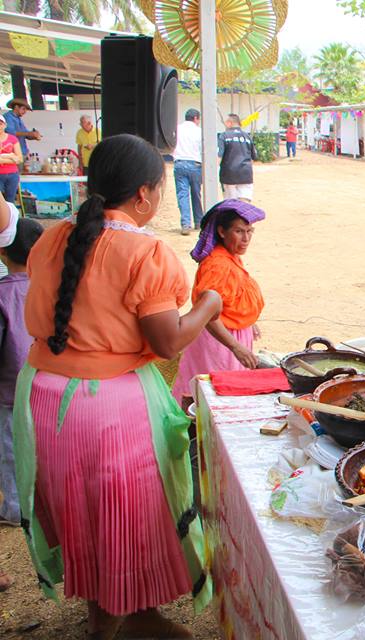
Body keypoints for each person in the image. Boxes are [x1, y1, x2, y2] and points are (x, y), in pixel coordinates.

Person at [13, 134, 222, 638]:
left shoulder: (51, 236)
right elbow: (167, 341)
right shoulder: (145, 251)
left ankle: (132, 612)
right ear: (145, 196)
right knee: (123, 515)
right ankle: (107, 627)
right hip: (105, 408)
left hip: (43, 397)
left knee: (80, 512)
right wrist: (209, 304)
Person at [172, 199, 265, 406]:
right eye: (239, 231)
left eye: (250, 231)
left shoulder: (230, 256)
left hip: (227, 337)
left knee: (215, 396)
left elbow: (230, 300)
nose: (246, 238)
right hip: (217, 342)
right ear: (222, 232)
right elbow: (206, 315)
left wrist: (248, 321)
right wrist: (236, 347)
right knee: (212, 396)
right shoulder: (218, 265)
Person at [0, 216, 42, 592]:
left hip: (9, 389)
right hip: (46, 386)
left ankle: (15, 507)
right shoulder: (49, 288)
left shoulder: (1, 292)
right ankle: (43, 502)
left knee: (12, 450)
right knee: (41, 444)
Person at [174, 108, 203, 235]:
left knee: (182, 194)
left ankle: (186, 224)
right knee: (196, 193)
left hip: (179, 163)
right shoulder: (199, 131)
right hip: (195, 164)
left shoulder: (177, 129)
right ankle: (199, 222)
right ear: (196, 118)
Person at [218, 114, 257, 202]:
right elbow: (253, 157)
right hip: (246, 175)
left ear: (229, 123)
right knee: (244, 204)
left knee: (231, 205)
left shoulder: (224, 136)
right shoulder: (247, 137)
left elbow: (219, 155)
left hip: (229, 175)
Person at [0, 113, 23, 203]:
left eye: (1, 124)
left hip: (12, 174)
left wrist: (3, 159)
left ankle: (10, 217)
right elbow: (16, 159)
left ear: (5, 125)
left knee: (10, 200)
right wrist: (12, 157)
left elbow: (20, 159)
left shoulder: (12, 139)